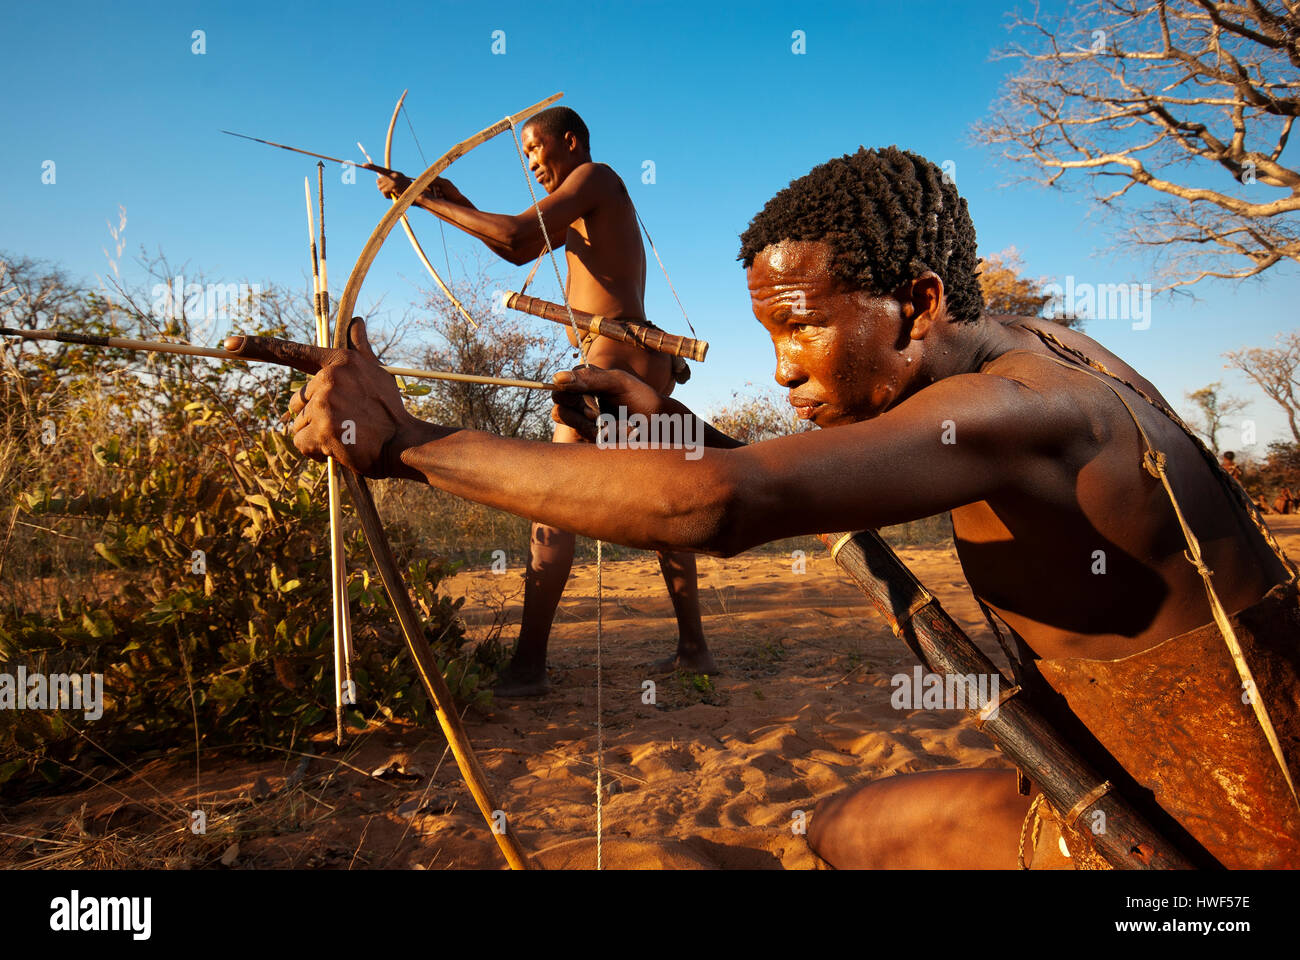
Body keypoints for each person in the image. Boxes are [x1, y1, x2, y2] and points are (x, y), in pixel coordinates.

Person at [229, 145, 1299, 868]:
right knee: (830, 825)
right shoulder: (1042, 355)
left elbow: (721, 510)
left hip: (1210, 842)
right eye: (770, 335)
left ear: (919, 301)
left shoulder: (1015, 410)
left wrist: (409, 447)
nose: (783, 370)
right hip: (1139, 787)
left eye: (801, 329)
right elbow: (780, 483)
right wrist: (672, 422)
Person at [374, 106, 715, 695]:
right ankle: (693, 649)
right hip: (637, 358)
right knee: (661, 498)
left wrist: (421, 201)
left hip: (610, 359)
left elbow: (515, 237)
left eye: (536, 149)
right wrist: (444, 194)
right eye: (525, 155)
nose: (531, 163)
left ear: (571, 141)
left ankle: (529, 667)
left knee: (553, 508)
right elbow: (518, 244)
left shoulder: (597, 177)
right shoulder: (586, 200)